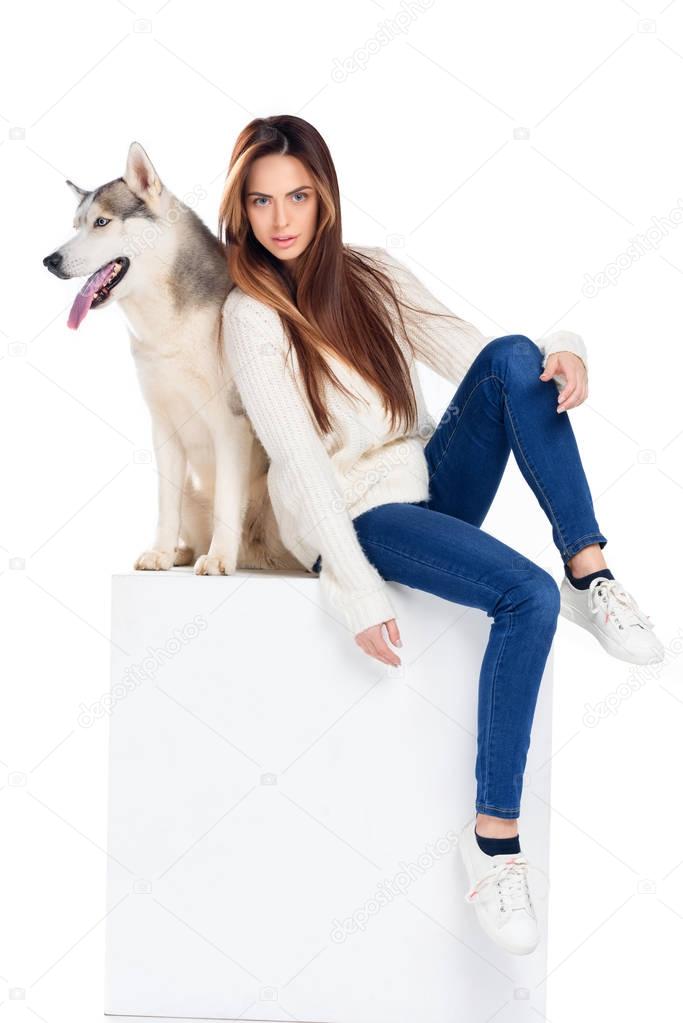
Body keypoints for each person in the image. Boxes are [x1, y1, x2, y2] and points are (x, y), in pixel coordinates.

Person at [218, 114, 663, 956]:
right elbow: (302, 465)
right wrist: (352, 587)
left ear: (326, 198)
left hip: (426, 486)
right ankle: (494, 842)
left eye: (299, 197)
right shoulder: (252, 315)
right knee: (520, 596)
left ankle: (590, 569)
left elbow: (480, 355)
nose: (281, 219)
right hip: (356, 516)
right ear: (240, 209)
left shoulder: (370, 276)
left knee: (509, 355)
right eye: (262, 200)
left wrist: (561, 351)